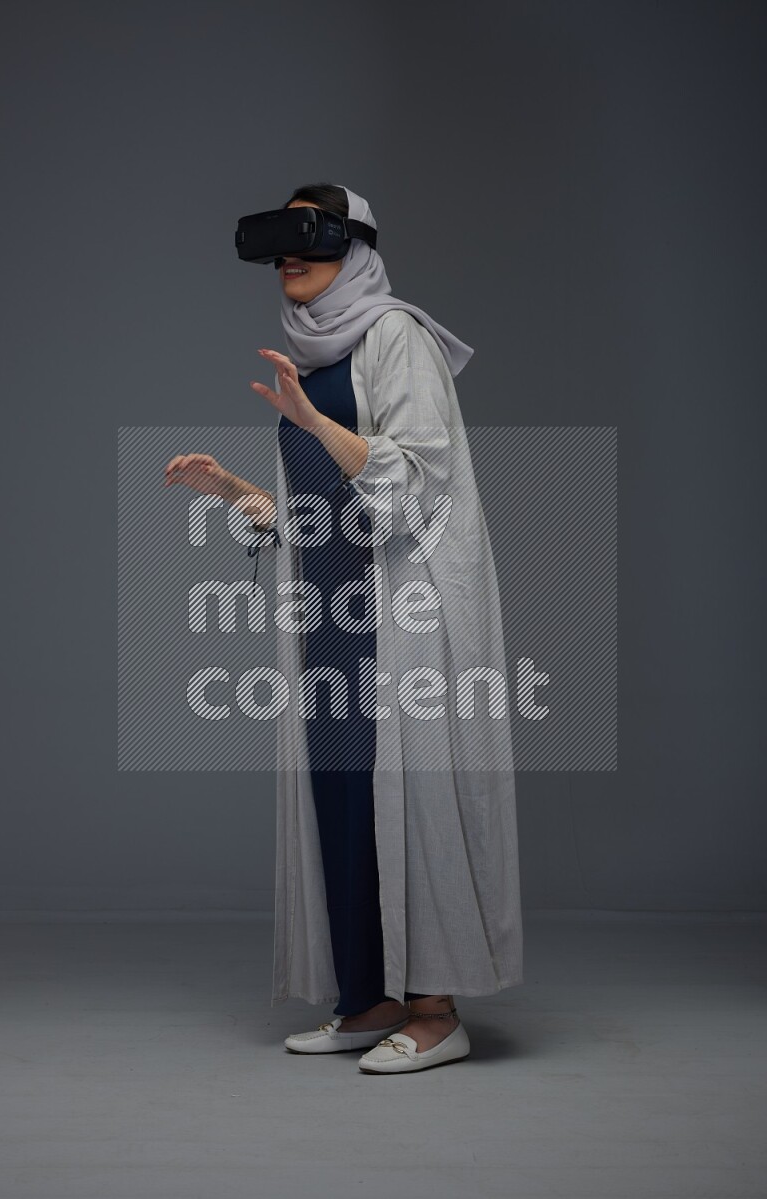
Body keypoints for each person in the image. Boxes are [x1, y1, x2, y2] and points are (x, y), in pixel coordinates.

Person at [165, 183, 523, 1074]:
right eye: (281, 244)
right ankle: (368, 997)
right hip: (330, 617)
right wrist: (231, 492)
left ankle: (437, 1011)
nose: (291, 256)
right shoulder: (309, 356)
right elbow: (316, 509)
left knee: (413, 798)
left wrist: (314, 421)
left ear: (355, 247)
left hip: (403, 615)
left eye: (309, 237)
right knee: (345, 801)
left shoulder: (395, 337)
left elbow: (414, 480)